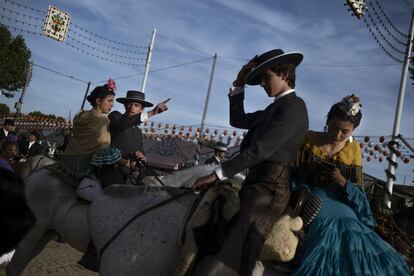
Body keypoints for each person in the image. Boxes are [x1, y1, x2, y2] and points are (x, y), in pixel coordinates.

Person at [192, 49, 309, 275]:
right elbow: (237, 119)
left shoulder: (295, 107)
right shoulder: (272, 109)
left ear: (284, 73)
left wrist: (216, 173)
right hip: (255, 185)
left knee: (236, 242)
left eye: (266, 77)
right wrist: (239, 83)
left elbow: (261, 150)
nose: (263, 84)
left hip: (271, 189)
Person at [291, 95, 410, 275]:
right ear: (328, 120)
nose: (337, 135)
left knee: (356, 237)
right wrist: (310, 168)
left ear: (353, 129)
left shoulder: (354, 150)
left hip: (343, 204)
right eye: (334, 128)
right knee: (326, 235)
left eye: (345, 132)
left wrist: (342, 181)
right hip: (313, 198)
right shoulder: (309, 139)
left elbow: (359, 193)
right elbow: (290, 174)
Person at [60, 80, 129, 182]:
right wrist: (126, 162)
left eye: (112, 102)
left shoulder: (80, 115)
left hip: (67, 160)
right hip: (83, 167)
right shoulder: (102, 120)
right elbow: (103, 150)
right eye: (109, 101)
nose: (112, 105)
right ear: (98, 101)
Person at [107, 90, 169, 185]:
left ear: (141, 109)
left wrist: (141, 156)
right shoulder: (115, 116)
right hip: (112, 170)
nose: (132, 108)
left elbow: (141, 152)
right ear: (125, 105)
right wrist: (152, 112)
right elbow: (122, 125)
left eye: (136, 105)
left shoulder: (138, 132)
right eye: (129, 104)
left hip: (131, 173)